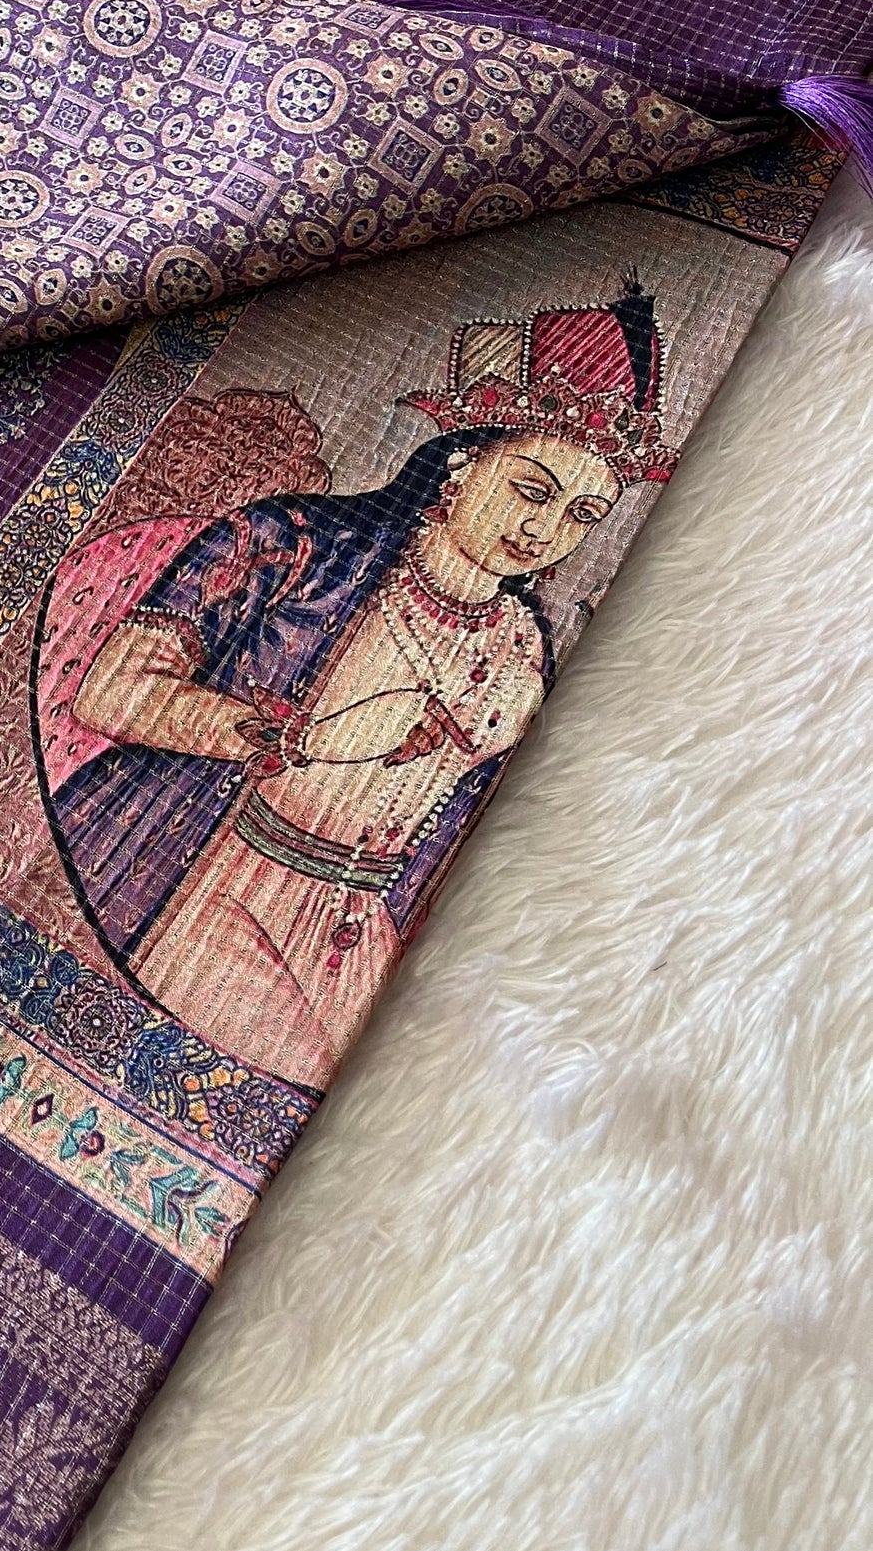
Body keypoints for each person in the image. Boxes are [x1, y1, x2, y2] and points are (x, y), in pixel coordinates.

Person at [34, 290, 675, 1089]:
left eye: (582, 514)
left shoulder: (526, 648)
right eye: (532, 490)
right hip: (221, 886)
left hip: (365, 933)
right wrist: (305, 738)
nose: (543, 532)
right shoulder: (298, 544)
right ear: (463, 462)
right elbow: (110, 691)